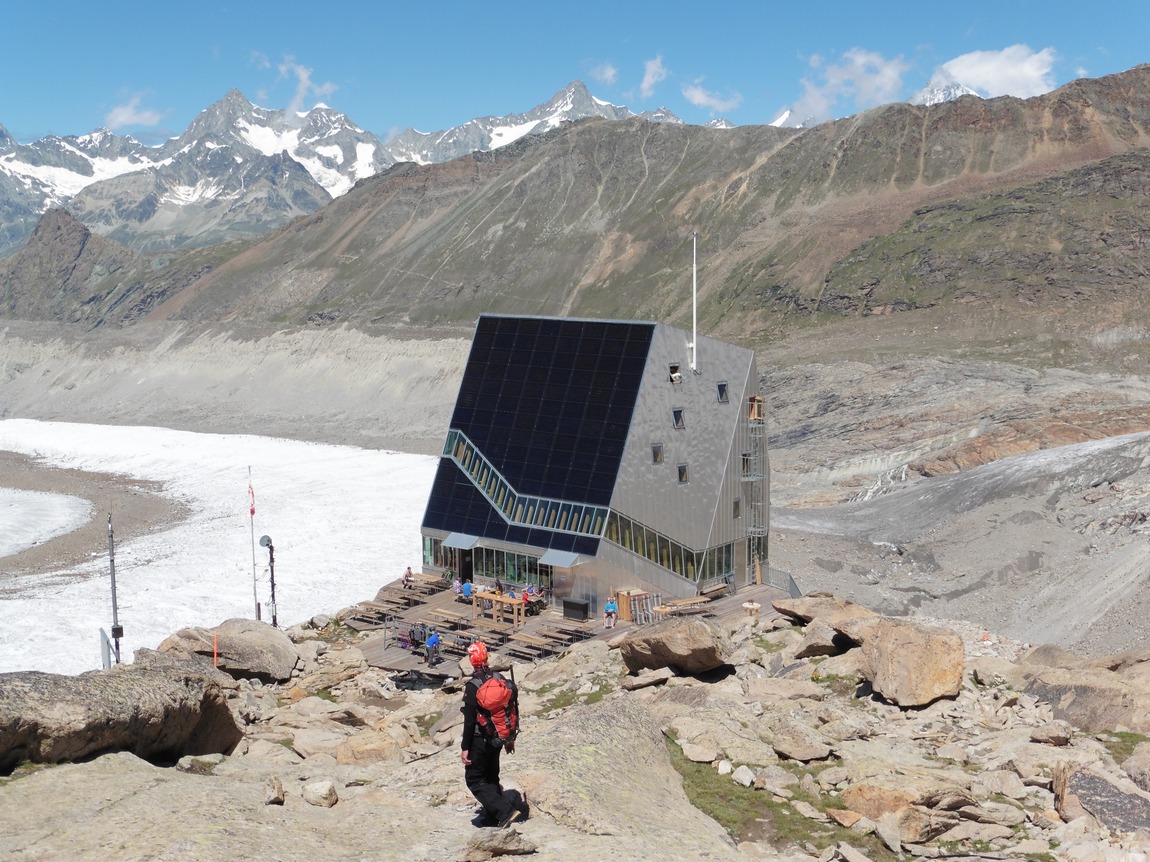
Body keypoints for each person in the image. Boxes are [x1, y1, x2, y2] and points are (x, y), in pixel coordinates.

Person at [460, 641, 524, 829]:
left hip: (479, 739)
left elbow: (469, 721)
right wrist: (510, 737)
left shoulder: (473, 686)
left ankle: (505, 811)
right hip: (498, 737)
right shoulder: (499, 678)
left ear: (472, 661)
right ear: (486, 657)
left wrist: (465, 748)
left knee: (475, 779)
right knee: (491, 776)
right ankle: (492, 818)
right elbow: (510, 709)